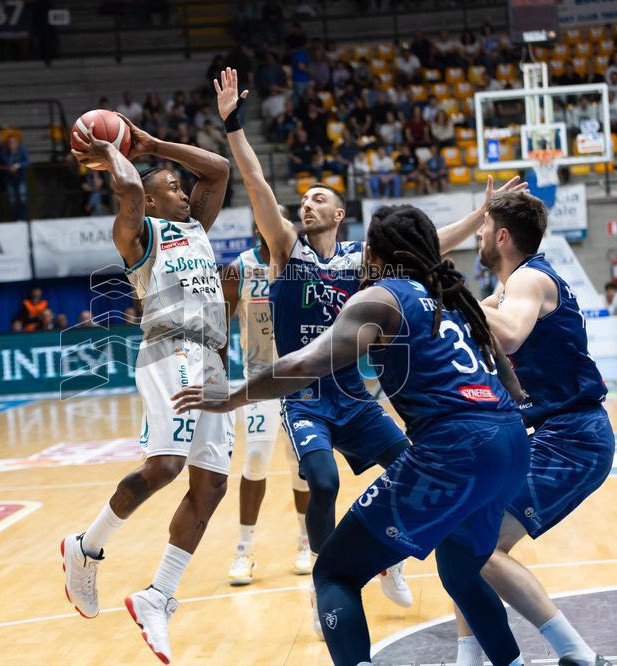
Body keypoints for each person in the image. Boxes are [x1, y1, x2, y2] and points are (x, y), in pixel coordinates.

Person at [173, 205, 532, 666]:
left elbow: (302, 365)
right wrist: (523, 410)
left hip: (454, 448)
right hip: (509, 442)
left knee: (335, 573)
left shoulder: (381, 297)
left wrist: (228, 397)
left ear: (376, 254)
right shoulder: (450, 295)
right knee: (463, 571)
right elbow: (505, 371)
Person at [213, 68, 416, 635]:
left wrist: (482, 216)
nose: (306, 205)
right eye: (301, 200)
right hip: (302, 396)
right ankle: (330, 578)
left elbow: (429, 245)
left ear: (339, 214)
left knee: (411, 465)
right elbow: (254, 182)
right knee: (321, 483)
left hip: (353, 394)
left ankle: (389, 557)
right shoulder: (285, 251)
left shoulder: (362, 259)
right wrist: (234, 128)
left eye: (317, 198)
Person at [64, 109, 232, 664]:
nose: (183, 191)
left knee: (210, 489)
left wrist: (155, 141)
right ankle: (86, 547)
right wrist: (113, 146)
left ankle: (158, 595)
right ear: (152, 202)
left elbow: (219, 171)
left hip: (212, 359)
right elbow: (131, 189)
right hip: (170, 349)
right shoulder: (138, 233)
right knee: (166, 467)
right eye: (172, 187)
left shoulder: (194, 228)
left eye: (183, 188)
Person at [441, 190, 614, 666]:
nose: (476, 235)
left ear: (501, 236)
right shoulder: (506, 290)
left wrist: (454, 297)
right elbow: (469, 325)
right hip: (550, 435)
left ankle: (577, 654)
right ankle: (469, 658)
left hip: (575, 438)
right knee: (461, 533)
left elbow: (511, 332)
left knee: (480, 543)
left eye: (483, 228)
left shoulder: (530, 280)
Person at [220, 222, 311, 585]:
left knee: (299, 465)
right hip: (258, 378)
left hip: (301, 378)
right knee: (256, 458)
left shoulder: (305, 266)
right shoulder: (239, 268)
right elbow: (221, 326)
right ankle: (244, 548)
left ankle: (306, 541)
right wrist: (219, 376)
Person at [1, 135, 30, 220]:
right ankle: (15, 219)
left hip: (21, 178)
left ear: (17, 143)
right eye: (10, 143)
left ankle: (24, 219)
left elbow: (27, 162)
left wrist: (17, 166)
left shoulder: (22, 150)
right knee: (12, 200)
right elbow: (6, 162)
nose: (12, 144)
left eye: (14, 142)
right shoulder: (5, 152)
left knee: (22, 199)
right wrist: (12, 153)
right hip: (10, 179)